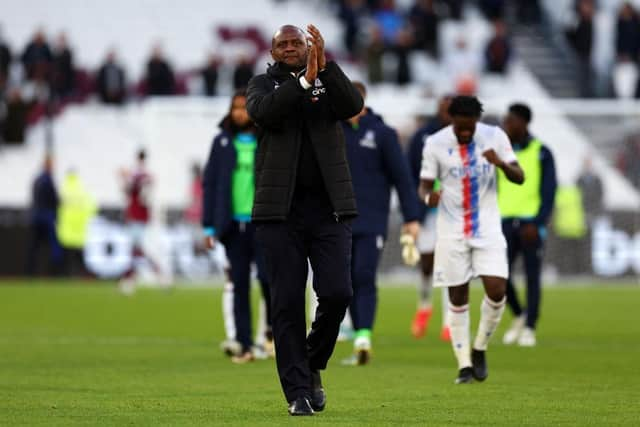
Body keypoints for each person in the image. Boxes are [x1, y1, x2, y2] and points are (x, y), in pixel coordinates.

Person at [247, 24, 363, 415]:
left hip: (330, 209)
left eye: (298, 42)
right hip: (280, 214)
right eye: (284, 44)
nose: (292, 47)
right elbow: (265, 113)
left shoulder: (326, 81)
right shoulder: (262, 86)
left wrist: (325, 69)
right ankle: (297, 392)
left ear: (309, 45)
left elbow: (351, 106)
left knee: (338, 293)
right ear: (273, 51)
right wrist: (303, 83)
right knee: (286, 303)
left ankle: (313, 362)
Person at [418, 96, 524, 384]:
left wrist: (500, 163)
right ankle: (464, 364)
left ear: (477, 122)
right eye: (460, 128)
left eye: (470, 128)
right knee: (457, 295)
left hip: (487, 227)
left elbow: (519, 176)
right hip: (451, 231)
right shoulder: (435, 143)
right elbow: (424, 185)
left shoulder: (495, 137)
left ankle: (480, 347)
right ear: (451, 120)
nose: (465, 133)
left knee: (497, 289)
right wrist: (429, 197)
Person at [341, 81, 420, 365]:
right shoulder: (330, 130)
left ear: (363, 100)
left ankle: (363, 337)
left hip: (372, 220)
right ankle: (353, 331)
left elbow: (402, 177)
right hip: (335, 221)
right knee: (342, 282)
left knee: (363, 275)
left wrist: (412, 217)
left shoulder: (383, 134)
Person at [202, 89, 273, 363]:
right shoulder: (221, 142)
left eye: (244, 108)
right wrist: (210, 226)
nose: (239, 113)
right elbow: (210, 185)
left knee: (269, 281)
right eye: (235, 108)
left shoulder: (267, 140)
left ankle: (271, 335)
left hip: (263, 224)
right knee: (239, 285)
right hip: (233, 227)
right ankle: (243, 344)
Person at [500, 103, 557, 347]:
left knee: (532, 277)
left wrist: (538, 222)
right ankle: (520, 315)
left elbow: (549, 191)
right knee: (499, 275)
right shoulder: (501, 152)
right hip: (503, 222)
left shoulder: (541, 151)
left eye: (511, 121)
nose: (506, 125)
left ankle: (530, 327)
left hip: (530, 225)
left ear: (523, 123)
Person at [407, 94, 452, 341]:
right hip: (426, 210)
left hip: (452, 211)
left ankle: (449, 320)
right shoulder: (422, 136)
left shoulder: (463, 137)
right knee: (427, 263)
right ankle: (424, 306)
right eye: (444, 109)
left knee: (448, 264)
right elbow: (409, 171)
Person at [118, 149, 161, 293]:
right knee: (137, 249)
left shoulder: (137, 175)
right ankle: (156, 273)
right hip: (140, 215)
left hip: (137, 215)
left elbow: (130, 191)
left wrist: (124, 178)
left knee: (136, 250)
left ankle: (131, 279)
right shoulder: (146, 175)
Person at [26, 155, 63, 276]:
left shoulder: (37, 179)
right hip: (47, 217)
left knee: (34, 246)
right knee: (54, 245)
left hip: (36, 216)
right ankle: (55, 272)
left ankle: (30, 271)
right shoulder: (48, 180)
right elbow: (55, 200)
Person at [56, 169, 97, 276]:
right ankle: (82, 276)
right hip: (80, 230)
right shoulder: (82, 189)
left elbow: (55, 208)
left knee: (66, 257)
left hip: (66, 230)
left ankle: (64, 275)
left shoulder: (63, 190)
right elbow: (93, 208)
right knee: (80, 257)